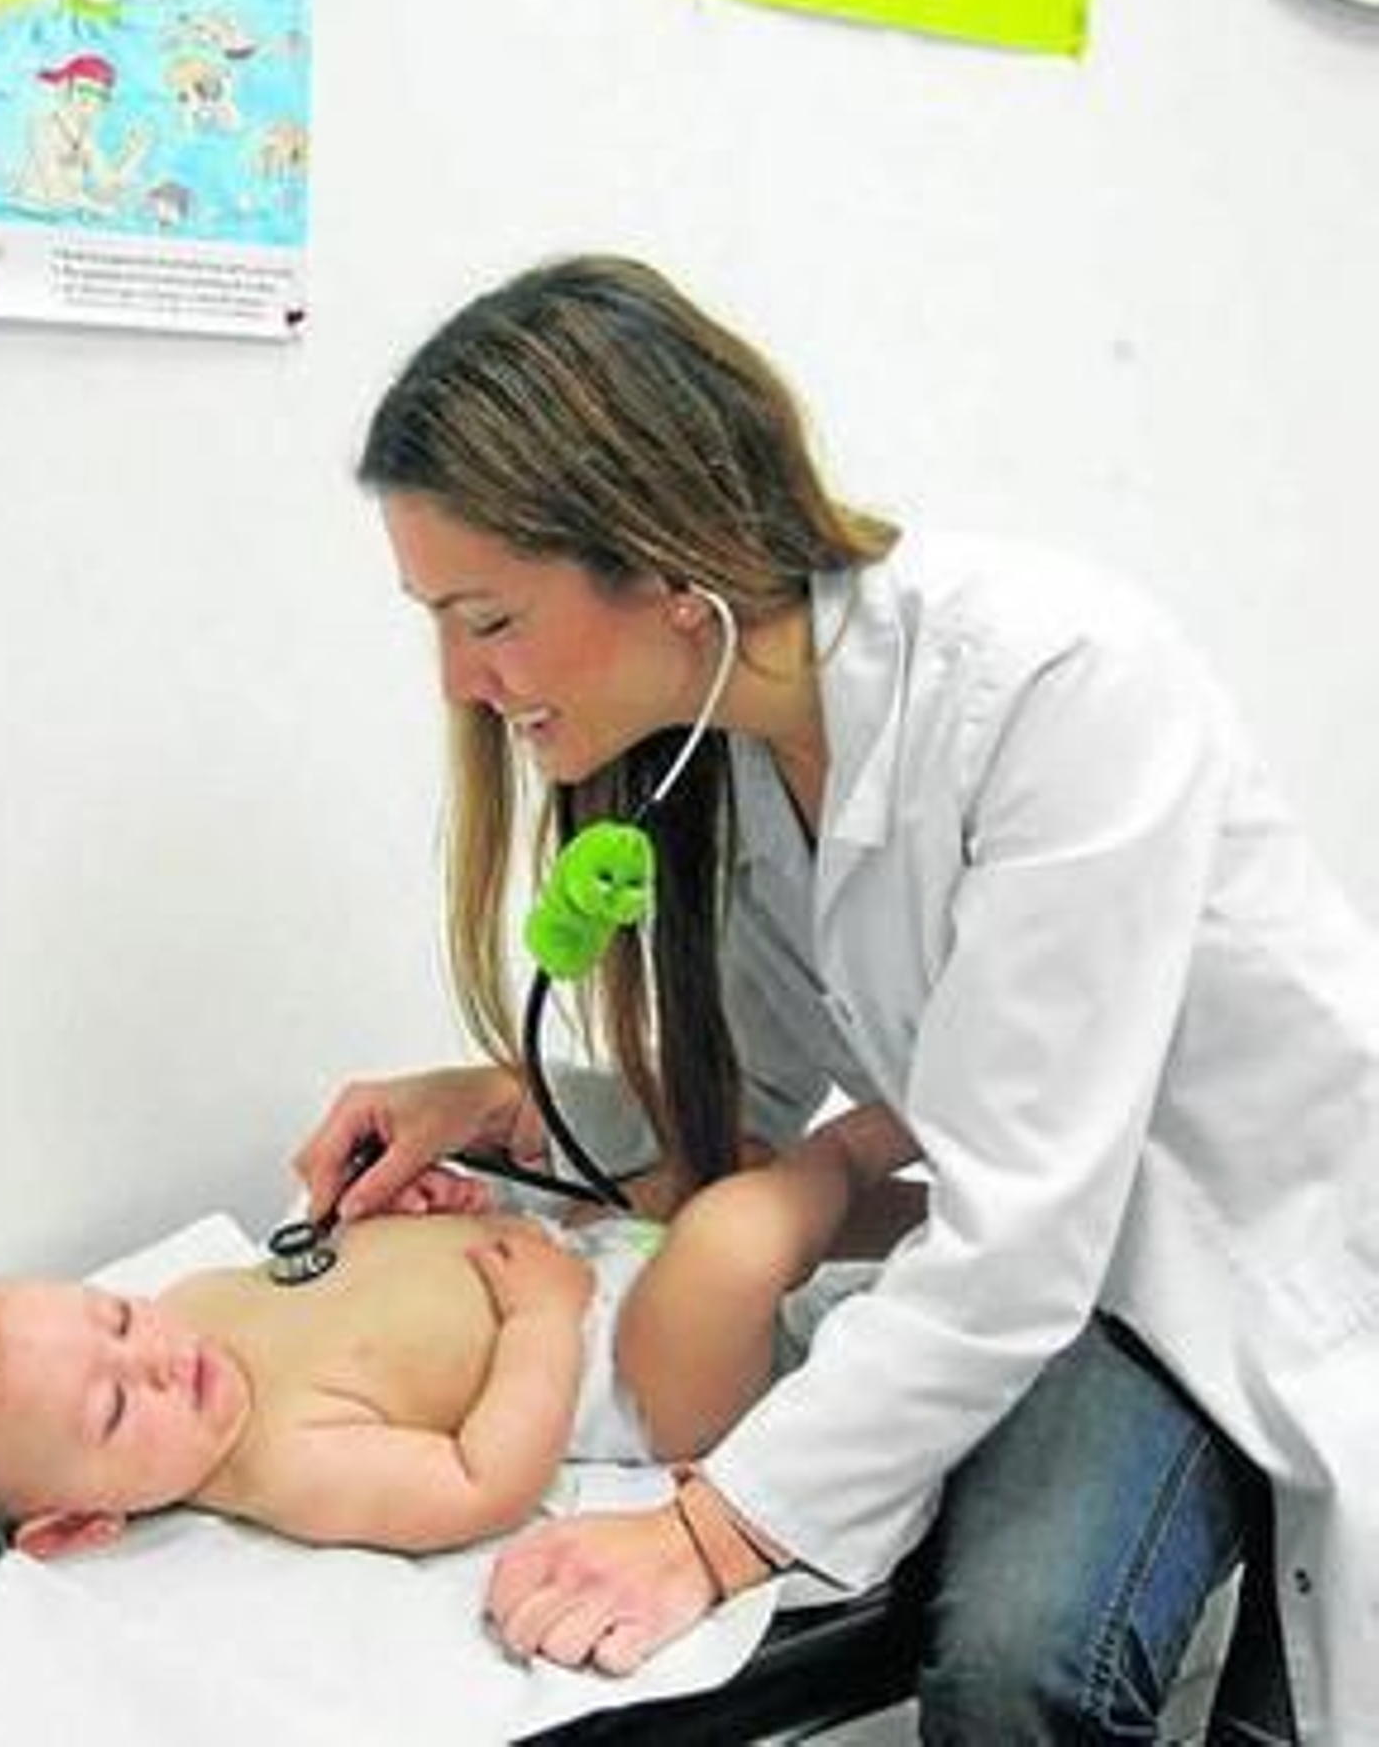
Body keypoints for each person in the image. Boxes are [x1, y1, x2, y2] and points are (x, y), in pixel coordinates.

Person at [294, 254, 1379, 1741]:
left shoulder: (1058, 683)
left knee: (1022, 1663)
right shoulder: (732, 750)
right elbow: (742, 1100)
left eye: (485, 617)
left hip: (1264, 1247)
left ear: (666, 565)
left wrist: (710, 1532)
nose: (457, 681)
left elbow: (1020, 1231)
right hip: (1083, 1249)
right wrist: (509, 1106)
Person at [0, 1122, 921, 1558]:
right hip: (639, 1373)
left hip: (588, 1252)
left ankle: (960, 1213)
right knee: (742, 1236)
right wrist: (542, 1322)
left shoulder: (198, 1313)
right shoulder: (283, 1465)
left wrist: (413, 1217)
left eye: (113, 1318)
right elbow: (478, 1479)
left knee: (706, 1150)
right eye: (117, 1409)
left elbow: (319, 1269)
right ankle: (890, 1121)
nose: (155, 1356)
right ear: (75, 1523)